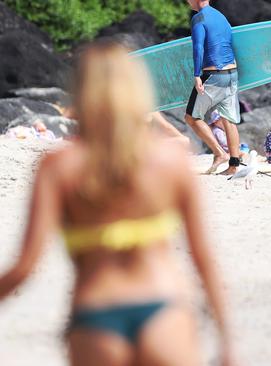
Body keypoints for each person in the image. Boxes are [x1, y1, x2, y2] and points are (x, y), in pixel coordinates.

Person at [0, 42, 234, 366]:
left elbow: (25, 266)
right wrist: (227, 342)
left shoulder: (60, 166)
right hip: (164, 309)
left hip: (97, 317)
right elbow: (204, 258)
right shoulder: (170, 160)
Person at [184, 0, 241, 175]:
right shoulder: (221, 16)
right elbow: (230, 41)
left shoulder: (199, 18)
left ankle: (219, 152)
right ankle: (233, 165)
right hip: (232, 72)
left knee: (192, 118)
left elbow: (198, 47)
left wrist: (196, 75)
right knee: (229, 120)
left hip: (213, 76)